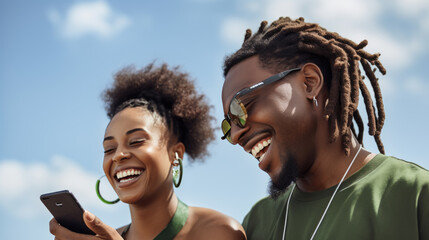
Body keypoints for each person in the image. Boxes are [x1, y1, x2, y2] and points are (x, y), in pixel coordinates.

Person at [220, 17, 429, 239]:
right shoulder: (256, 222)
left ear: (309, 83)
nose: (235, 135)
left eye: (240, 107)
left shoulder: (413, 196)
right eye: (228, 123)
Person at [49, 63, 246, 239]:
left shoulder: (218, 232)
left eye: (135, 141)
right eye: (109, 148)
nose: (118, 155)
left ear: (175, 153)